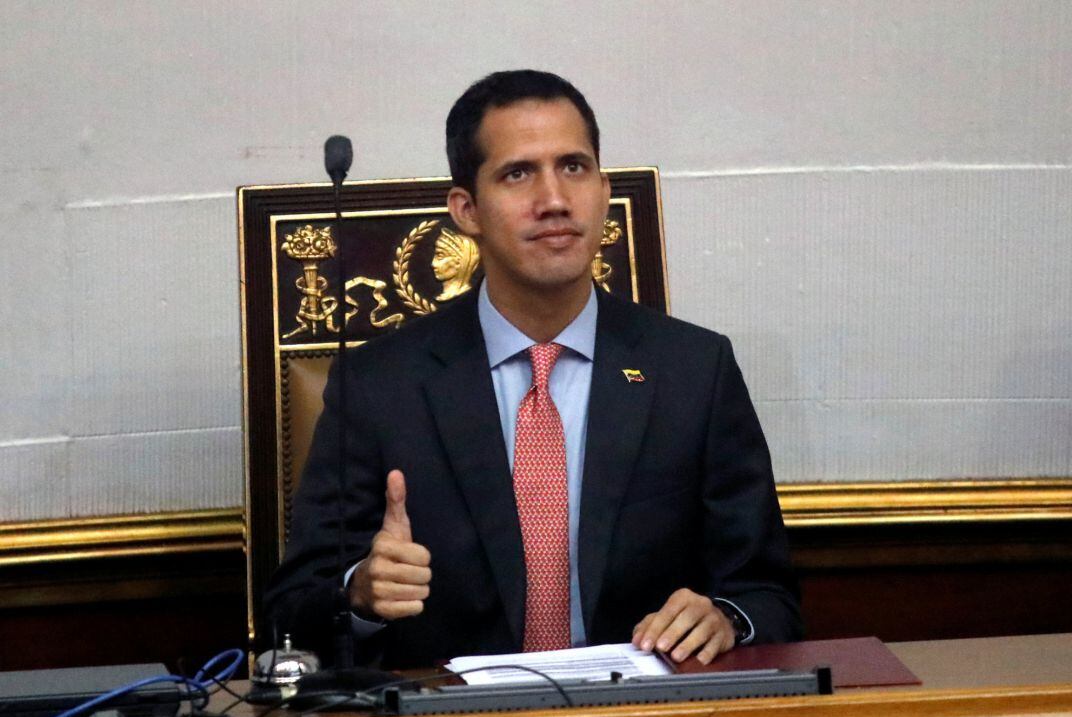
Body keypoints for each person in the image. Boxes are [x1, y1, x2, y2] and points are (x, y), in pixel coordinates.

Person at [264, 69, 802, 669]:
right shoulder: (380, 386)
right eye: (518, 174)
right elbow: (293, 608)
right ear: (466, 210)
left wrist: (725, 617)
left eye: (574, 167)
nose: (554, 200)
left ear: (603, 191)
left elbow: (768, 594)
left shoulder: (694, 372)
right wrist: (360, 594)